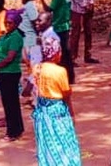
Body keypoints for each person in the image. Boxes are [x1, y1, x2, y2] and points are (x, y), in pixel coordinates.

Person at [33, 36, 81, 166]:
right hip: (57, 110)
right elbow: (66, 94)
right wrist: (71, 113)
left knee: (46, 143)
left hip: (43, 111)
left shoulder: (37, 68)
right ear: (55, 52)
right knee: (63, 141)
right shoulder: (60, 71)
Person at [0, 9, 25, 141]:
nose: (7, 25)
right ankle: (15, 129)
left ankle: (13, 132)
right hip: (4, 72)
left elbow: (10, 57)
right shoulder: (6, 35)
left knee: (11, 103)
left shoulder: (15, 37)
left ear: (16, 24)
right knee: (7, 102)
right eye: (6, 22)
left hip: (11, 72)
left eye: (10, 23)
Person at [41, 0, 74, 84]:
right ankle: (70, 76)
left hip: (59, 26)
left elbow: (49, 9)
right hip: (65, 25)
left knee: (61, 52)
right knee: (66, 52)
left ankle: (64, 77)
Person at [17, 0, 40, 70]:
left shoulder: (30, 5)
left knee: (32, 64)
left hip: (30, 39)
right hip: (25, 38)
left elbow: (35, 21)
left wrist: (38, 36)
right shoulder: (26, 5)